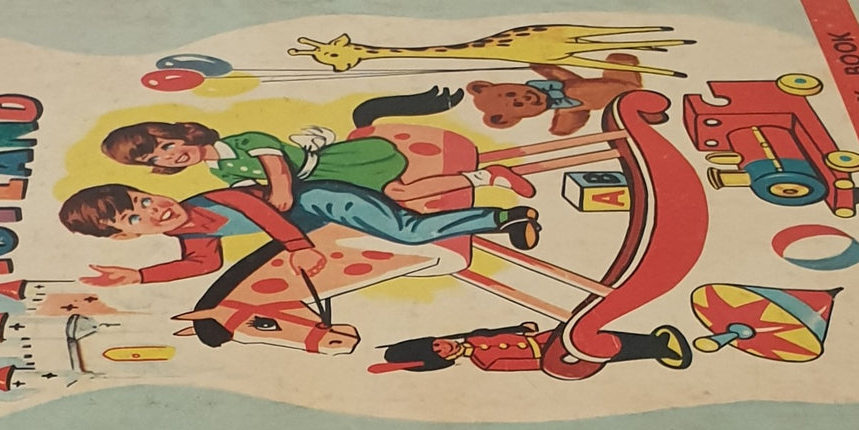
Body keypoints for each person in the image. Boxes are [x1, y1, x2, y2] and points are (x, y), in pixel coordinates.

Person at [60, 181, 540, 286]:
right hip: (318, 223)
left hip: (325, 200)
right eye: (135, 218)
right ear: (125, 239)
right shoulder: (193, 236)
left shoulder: (211, 200)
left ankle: (504, 218)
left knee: (407, 232)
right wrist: (140, 277)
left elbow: (260, 211)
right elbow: (203, 263)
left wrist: (298, 248)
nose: (154, 210)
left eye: (144, 199)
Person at [100, 121, 534, 213]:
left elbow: (275, 166)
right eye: (156, 159)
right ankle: (487, 179)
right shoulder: (219, 173)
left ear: (184, 135)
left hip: (337, 165)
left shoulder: (242, 141)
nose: (170, 157)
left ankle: (488, 177)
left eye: (168, 146)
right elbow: (249, 190)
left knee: (399, 191)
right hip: (323, 184)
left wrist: (280, 194)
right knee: (398, 196)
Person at [370, 321, 693, 373]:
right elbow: (527, 363)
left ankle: (653, 341)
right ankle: (658, 349)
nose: (443, 346)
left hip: (546, 338)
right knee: (597, 347)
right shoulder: (485, 362)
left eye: (436, 342)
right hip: (552, 353)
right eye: (438, 352)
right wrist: (551, 354)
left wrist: (521, 330)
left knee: (591, 328)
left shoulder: (474, 338)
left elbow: (495, 333)